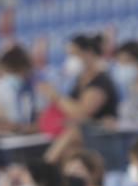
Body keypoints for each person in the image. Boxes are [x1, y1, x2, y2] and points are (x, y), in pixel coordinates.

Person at [42, 33, 120, 163]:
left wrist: (55, 97)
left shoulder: (101, 82)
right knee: (69, 150)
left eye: (74, 54)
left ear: (88, 53)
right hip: (83, 138)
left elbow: (81, 113)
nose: (70, 59)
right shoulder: (79, 82)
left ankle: (44, 168)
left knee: (72, 134)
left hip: (102, 137)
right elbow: (71, 111)